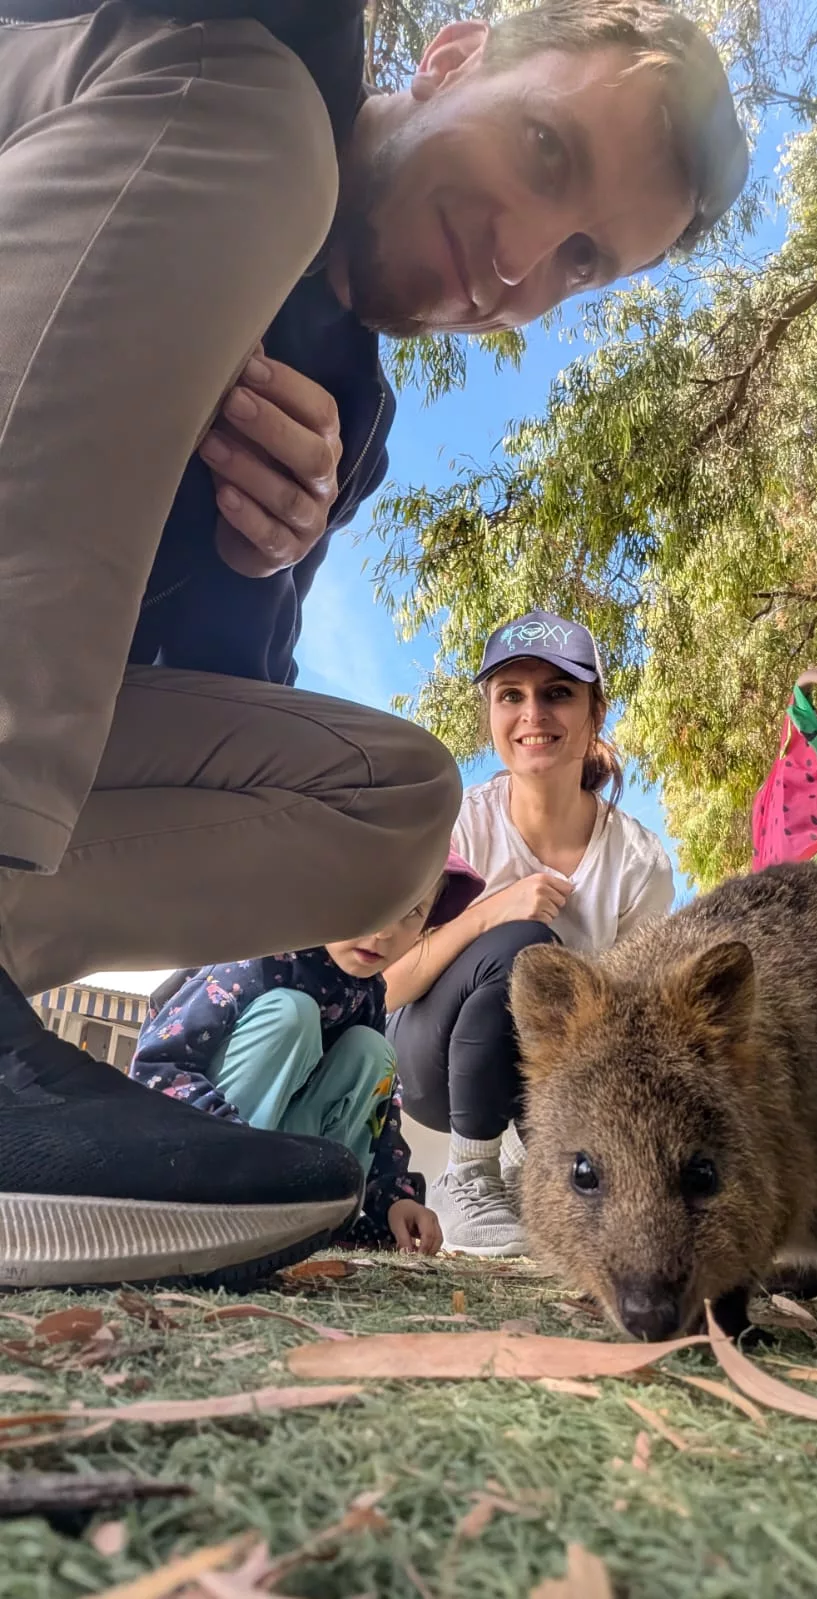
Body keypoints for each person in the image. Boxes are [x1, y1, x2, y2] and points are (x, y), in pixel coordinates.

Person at [0, 0, 748, 1289]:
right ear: (448, 55)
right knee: (267, 127)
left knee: (393, 806)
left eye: (578, 263)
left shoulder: (351, 410)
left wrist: (254, 557)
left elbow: (178, 707)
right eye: (544, 151)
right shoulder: (267, 62)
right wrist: (175, 264)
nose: (517, 263)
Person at [385, 609, 674, 1256]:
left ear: (594, 712)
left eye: (557, 693)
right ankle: (469, 1180)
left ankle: (537, 1170)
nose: (532, 715)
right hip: (427, 1063)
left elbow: (633, 1030)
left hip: (553, 1089)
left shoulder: (636, 860)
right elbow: (385, 985)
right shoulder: (458, 828)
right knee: (520, 946)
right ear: (489, 711)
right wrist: (491, 911)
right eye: (510, 695)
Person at [128, 854, 485, 1252]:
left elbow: (380, 1109)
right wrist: (238, 1146)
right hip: (203, 1156)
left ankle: (320, 1208)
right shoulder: (260, 956)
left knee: (373, 1051)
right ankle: (215, 1204)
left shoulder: (368, 994)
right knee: (291, 1014)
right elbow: (157, 1066)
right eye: (369, 902)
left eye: (411, 912)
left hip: (278, 1174)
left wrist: (393, 1196)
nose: (384, 932)